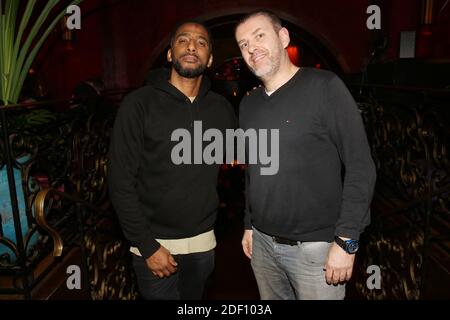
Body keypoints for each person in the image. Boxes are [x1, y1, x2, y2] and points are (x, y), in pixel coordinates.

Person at [235, 11, 376, 300]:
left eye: (259, 36)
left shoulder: (325, 87)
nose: (252, 48)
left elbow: (361, 166)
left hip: (316, 250)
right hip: (262, 245)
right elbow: (254, 170)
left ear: (283, 37)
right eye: (243, 44)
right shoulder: (248, 105)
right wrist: (249, 224)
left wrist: (347, 241)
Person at [108, 20, 236, 300]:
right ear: (169, 54)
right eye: (183, 40)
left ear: (210, 58)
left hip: (203, 245)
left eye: (201, 42)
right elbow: (120, 182)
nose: (192, 46)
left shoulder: (221, 109)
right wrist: (147, 246)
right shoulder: (138, 105)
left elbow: (240, 159)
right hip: (153, 247)